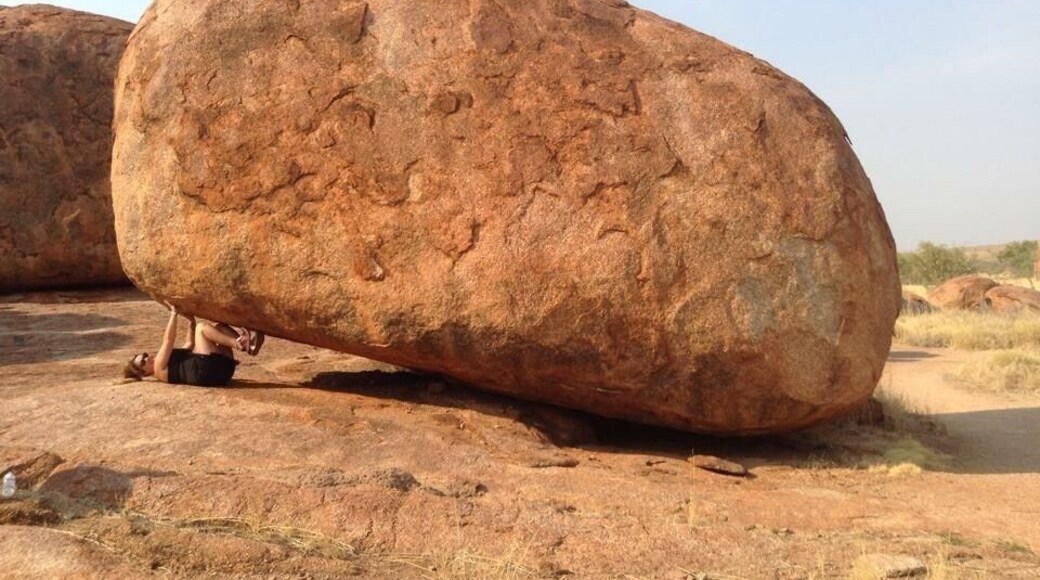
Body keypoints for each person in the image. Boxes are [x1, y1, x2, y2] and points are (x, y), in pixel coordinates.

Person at [123, 303, 264, 386]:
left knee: (221, 328)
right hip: (208, 371)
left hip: (223, 373)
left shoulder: (169, 363)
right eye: (143, 362)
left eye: (145, 355)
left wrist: (191, 322)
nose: (147, 358)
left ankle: (249, 347)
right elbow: (168, 340)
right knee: (202, 329)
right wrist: (173, 314)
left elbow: (189, 344)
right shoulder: (159, 369)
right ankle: (239, 344)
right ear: (145, 373)